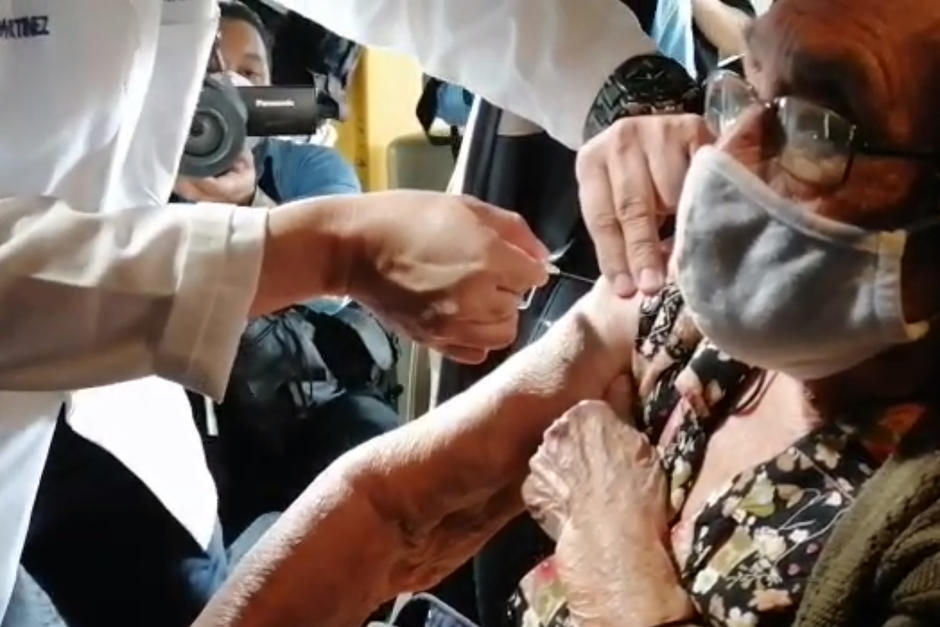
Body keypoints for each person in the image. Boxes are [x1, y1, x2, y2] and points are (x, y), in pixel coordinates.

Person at [196, 0, 940, 625]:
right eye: (744, 92)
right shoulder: (677, 307)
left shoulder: (916, 524)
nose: (724, 158)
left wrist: (614, 556)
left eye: (817, 128)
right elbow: (386, 507)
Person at [0, 1, 564, 623]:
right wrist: (323, 250)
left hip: (133, 434)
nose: (221, 97)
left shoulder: (299, 167)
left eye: (247, 74)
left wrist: (615, 80)